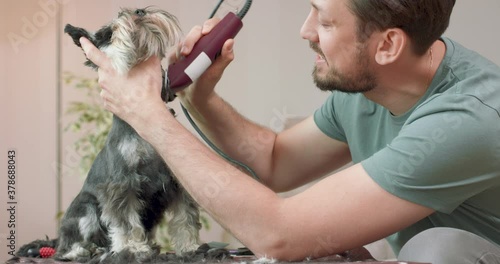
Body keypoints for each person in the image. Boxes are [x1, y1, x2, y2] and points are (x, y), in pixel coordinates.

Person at [79, 0, 500, 263]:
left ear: (387, 46)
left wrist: (148, 116)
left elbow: (279, 234)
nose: (306, 30)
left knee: (434, 248)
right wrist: (198, 97)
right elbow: (276, 161)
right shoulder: (370, 86)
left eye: (326, 21)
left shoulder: (469, 119)